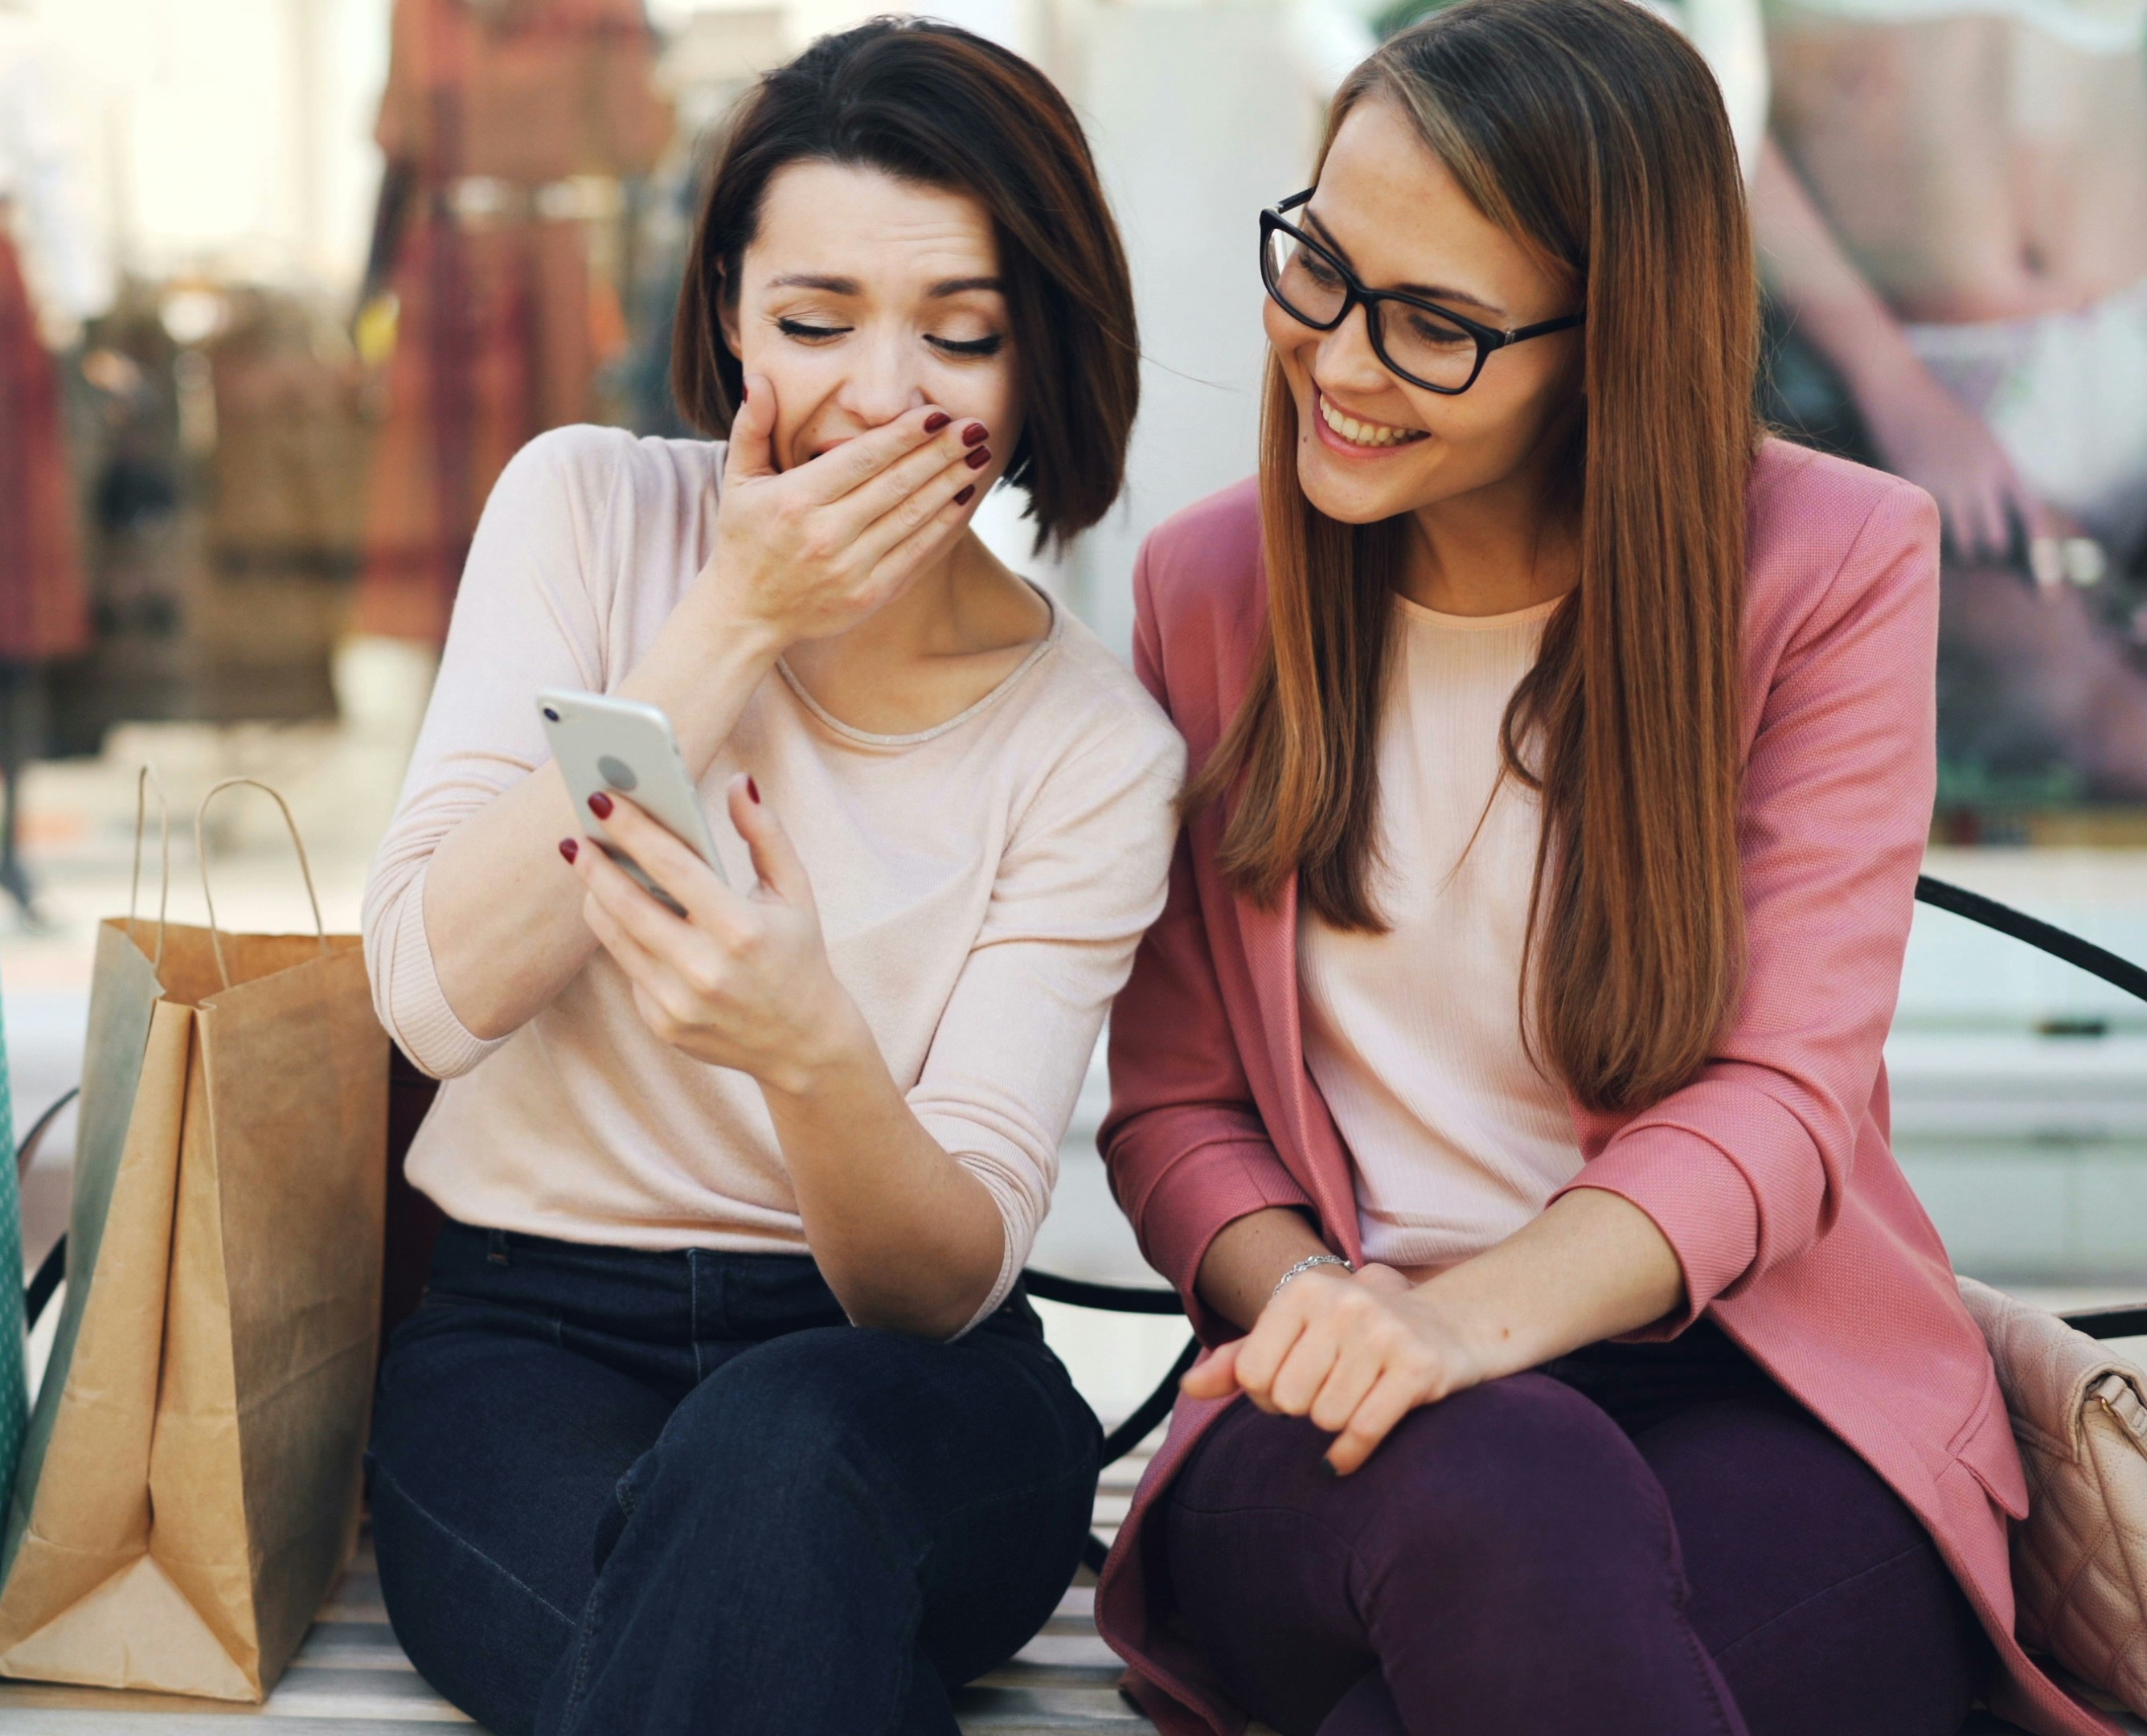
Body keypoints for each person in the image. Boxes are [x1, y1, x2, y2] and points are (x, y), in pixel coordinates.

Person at [1089, 2, 2112, 1733]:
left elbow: (1780, 1103)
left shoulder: (1833, 568)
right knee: (1504, 1489)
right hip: (1335, 1412)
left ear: (1612, 342)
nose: (1338, 360)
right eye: (1321, 268)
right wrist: (1345, 1314)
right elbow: (1176, 1111)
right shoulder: (1211, 597)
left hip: (1757, 1390)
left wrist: (1476, 1323)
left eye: (1432, 325)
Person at [356, 20, 1183, 1734]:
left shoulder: (1096, 746)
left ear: (1042, 357)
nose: (883, 396)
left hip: (907, 1389)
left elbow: (937, 1282)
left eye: (959, 333)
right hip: (527, 1342)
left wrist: (809, 1048)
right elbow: (430, 999)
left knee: (777, 1460)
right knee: (745, 1637)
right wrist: (734, 621)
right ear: (728, 310)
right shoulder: (584, 515)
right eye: (815, 324)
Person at [1753, 0, 2147, 796]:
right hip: (1925, 384)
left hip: (2127, 322)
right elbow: (1692, 98)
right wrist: (1890, 383)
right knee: (2117, 735)